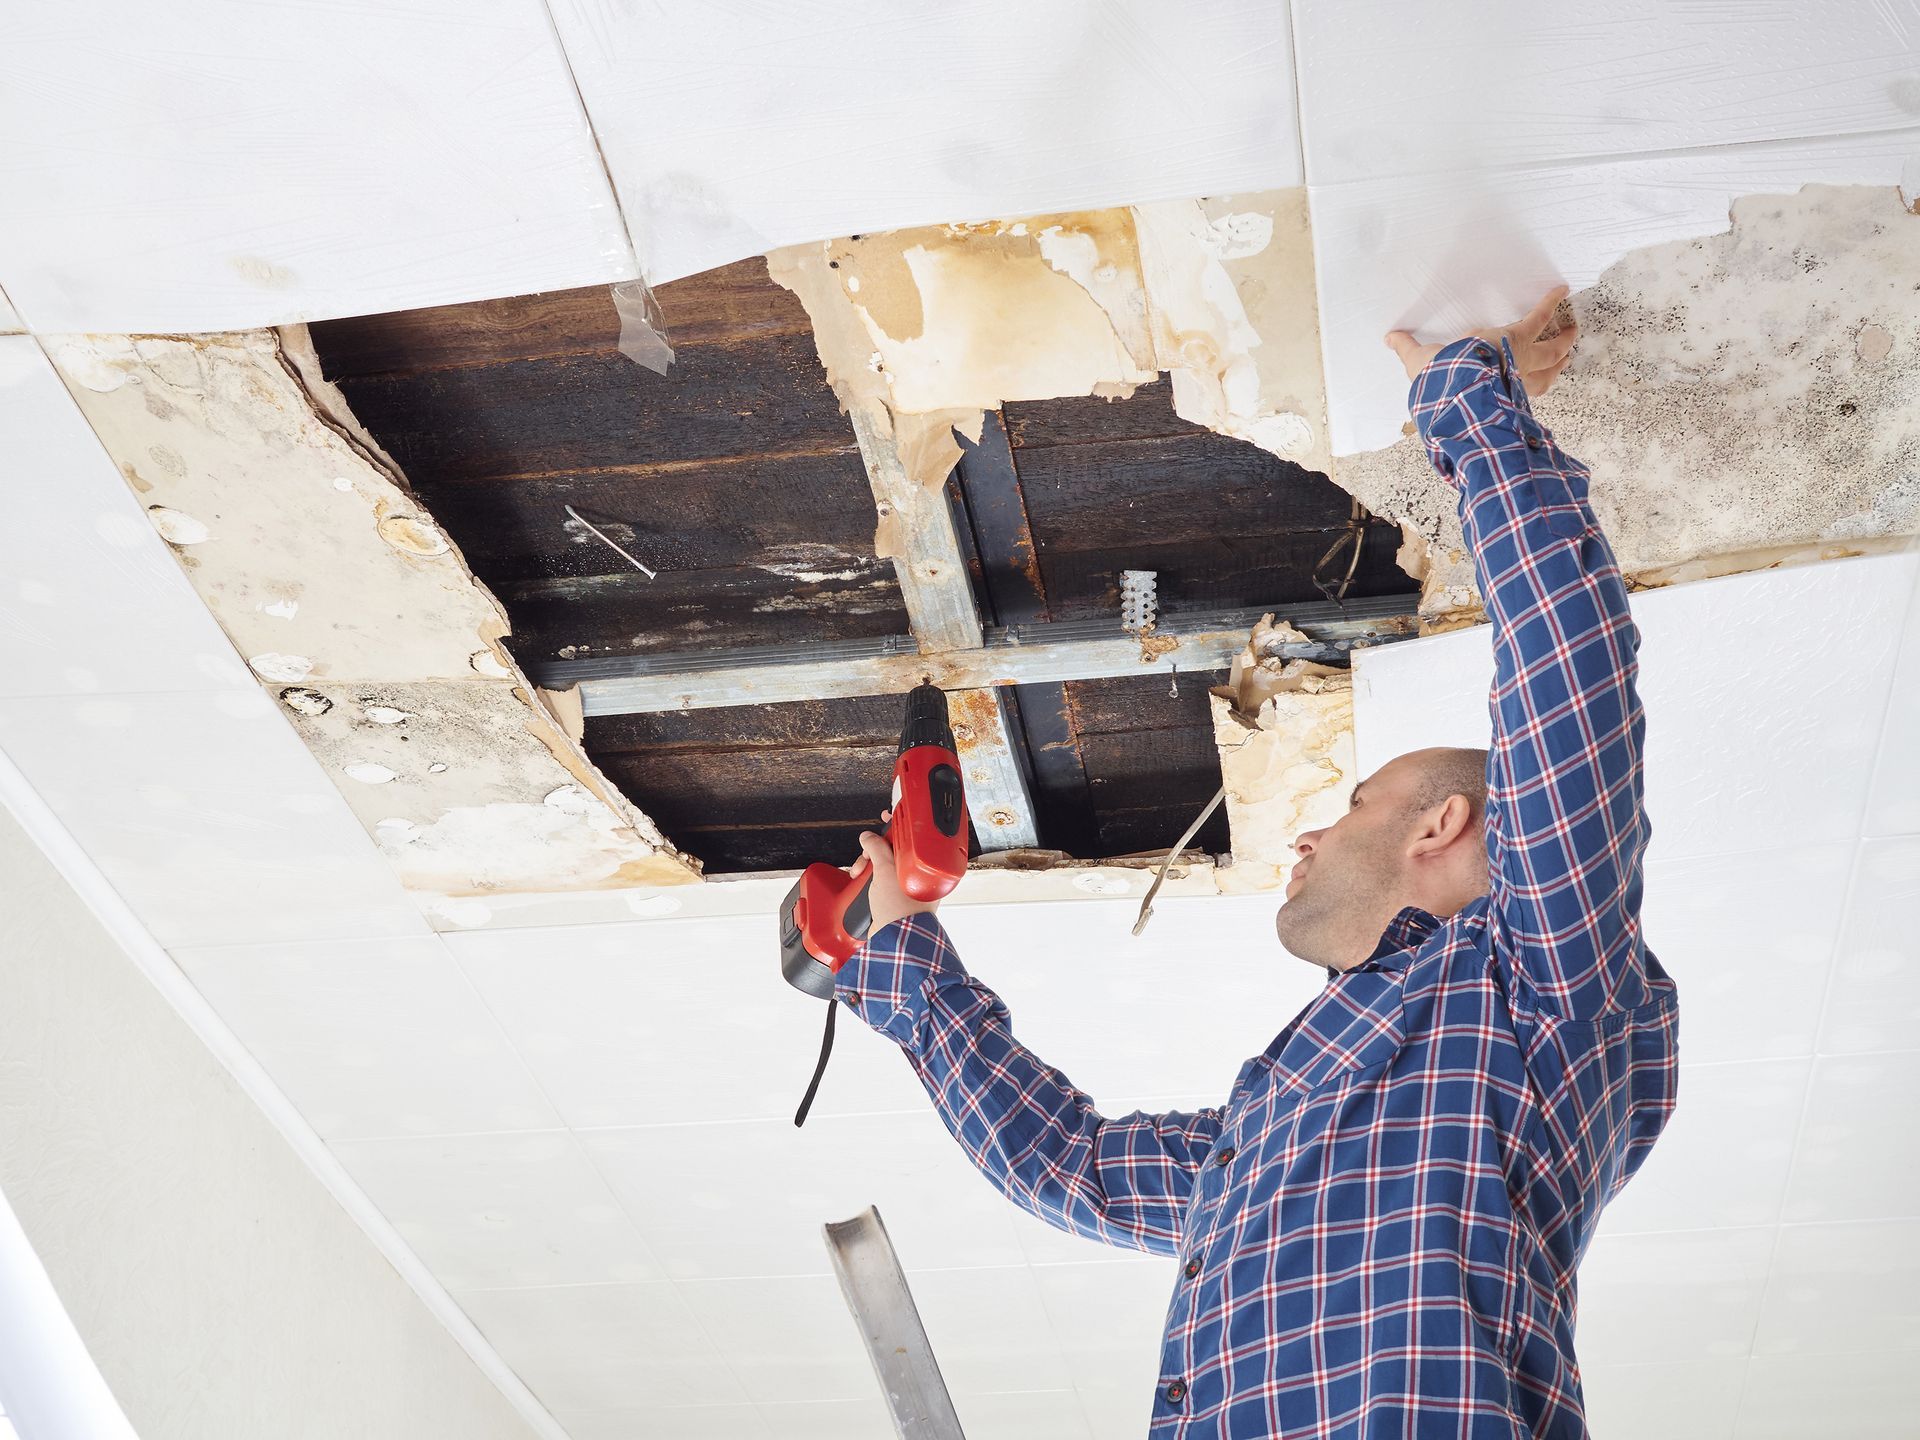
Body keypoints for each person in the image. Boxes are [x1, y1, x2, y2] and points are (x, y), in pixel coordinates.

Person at [833, 289, 1679, 1438]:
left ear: (1445, 830)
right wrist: (902, 961)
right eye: (1344, 805)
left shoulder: (1543, 991)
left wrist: (1476, 408)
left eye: (1351, 802)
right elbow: (1068, 1167)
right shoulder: (1274, 1139)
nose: (1309, 834)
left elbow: (1568, 686)